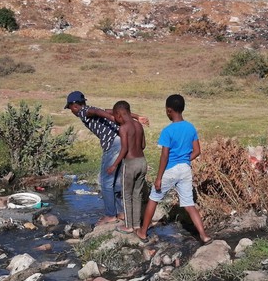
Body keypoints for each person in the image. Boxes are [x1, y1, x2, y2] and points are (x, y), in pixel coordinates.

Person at [136, 94, 212, 245]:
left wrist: (158, 178)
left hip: (170, 170)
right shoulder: (190, 127)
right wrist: (184, 160)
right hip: (185, 169)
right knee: (189, 204)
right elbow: (197, 151)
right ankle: (204, 236)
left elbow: (164, 156)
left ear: (169, 111)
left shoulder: (167, 131)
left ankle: (143, 232)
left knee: (154, 198)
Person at [65, 91, 148, 225]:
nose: (71, 111)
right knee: (117, 180)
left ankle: (110, 215)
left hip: (113, 142)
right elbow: (111, 111)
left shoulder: (82, 111)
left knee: (106, 181)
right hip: (121, 140)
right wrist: (136, 116)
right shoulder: (89, 109)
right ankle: (121, 212)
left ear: (74, 106)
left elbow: (98, 112)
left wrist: (114, 119)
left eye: (70, 108)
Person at [106, 101, 147, 234]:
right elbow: (143, 145)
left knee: (126, 195)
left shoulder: (123, 128)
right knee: (137, 195)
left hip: (130, 164)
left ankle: (128, 226)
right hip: (142, 162)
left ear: (118, 115)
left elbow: (124, 149)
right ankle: (136, 225)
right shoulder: (139, 125)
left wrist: (114, 165)